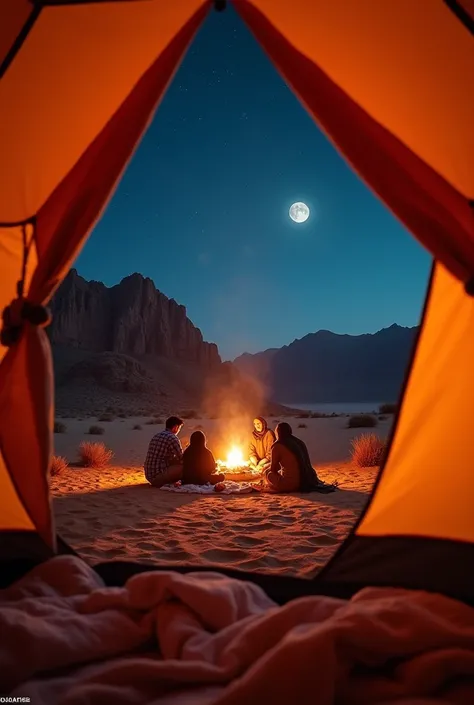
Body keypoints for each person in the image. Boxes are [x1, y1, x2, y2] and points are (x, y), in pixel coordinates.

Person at [262, 422, 337, 493]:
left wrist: (267, 469)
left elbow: (273, 469)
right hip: (306, 480)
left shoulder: (277, 446)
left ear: (277, 432)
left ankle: (274, 487)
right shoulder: (299, 442)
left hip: (292, 484)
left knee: (268, 474)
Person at [144, 416, 184, 488]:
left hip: (149, 475)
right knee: (185, 467)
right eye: (179, 428)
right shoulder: (172, 438)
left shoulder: (157, 435)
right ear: (175, 427)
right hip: (158, 477)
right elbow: (181, 458)